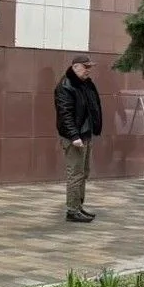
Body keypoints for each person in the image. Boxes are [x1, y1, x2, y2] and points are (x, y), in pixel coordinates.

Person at [54, 55, 103, 223]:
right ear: (75, 67)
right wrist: (74, 136)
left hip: (85, 135)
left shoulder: (86, 83)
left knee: (84, 172)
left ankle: (78, 206)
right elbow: (65, 114)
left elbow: (92, 107)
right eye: (85, 67)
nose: (88, 70)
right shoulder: (65, 86)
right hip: (74, 137)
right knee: (75, 174)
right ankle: (72, 210)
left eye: (90, 67)